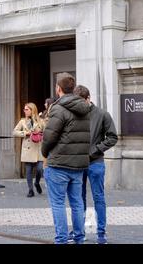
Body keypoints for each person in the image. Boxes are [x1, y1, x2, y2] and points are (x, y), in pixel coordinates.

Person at [42, 73, 91, 244]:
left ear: (58, 88)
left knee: (58, 204)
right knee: (77, 203)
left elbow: (49, 137)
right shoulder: (85, 109)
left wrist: (44, 152)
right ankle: (79, 238)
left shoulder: (58, 108)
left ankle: (61, 240)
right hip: (78, 165)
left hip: (59, 164)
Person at [71, 85, 118, 244]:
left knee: (99, 197)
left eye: (81, 102)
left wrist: (95, 150)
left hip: (95, 163)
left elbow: (112, 137)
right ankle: (79, 232)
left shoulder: (102, 114)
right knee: (78, 199)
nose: (79, 106)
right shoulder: (74, 113)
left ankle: (101, 233)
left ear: (88, 98)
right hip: (77, 163)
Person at [13, 103, 45, 198]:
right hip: (27, 148)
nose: (25, 111)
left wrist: (40, 133)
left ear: (32, 110)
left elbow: (47, 131)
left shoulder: (41, 121)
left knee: (40, 169)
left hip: (38, 147)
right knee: (29, 170)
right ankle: (30, 190)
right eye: (24, 109)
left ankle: (37, 183)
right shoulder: (22, 121)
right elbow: (14, 132)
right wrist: (25, 133)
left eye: (27, 109)